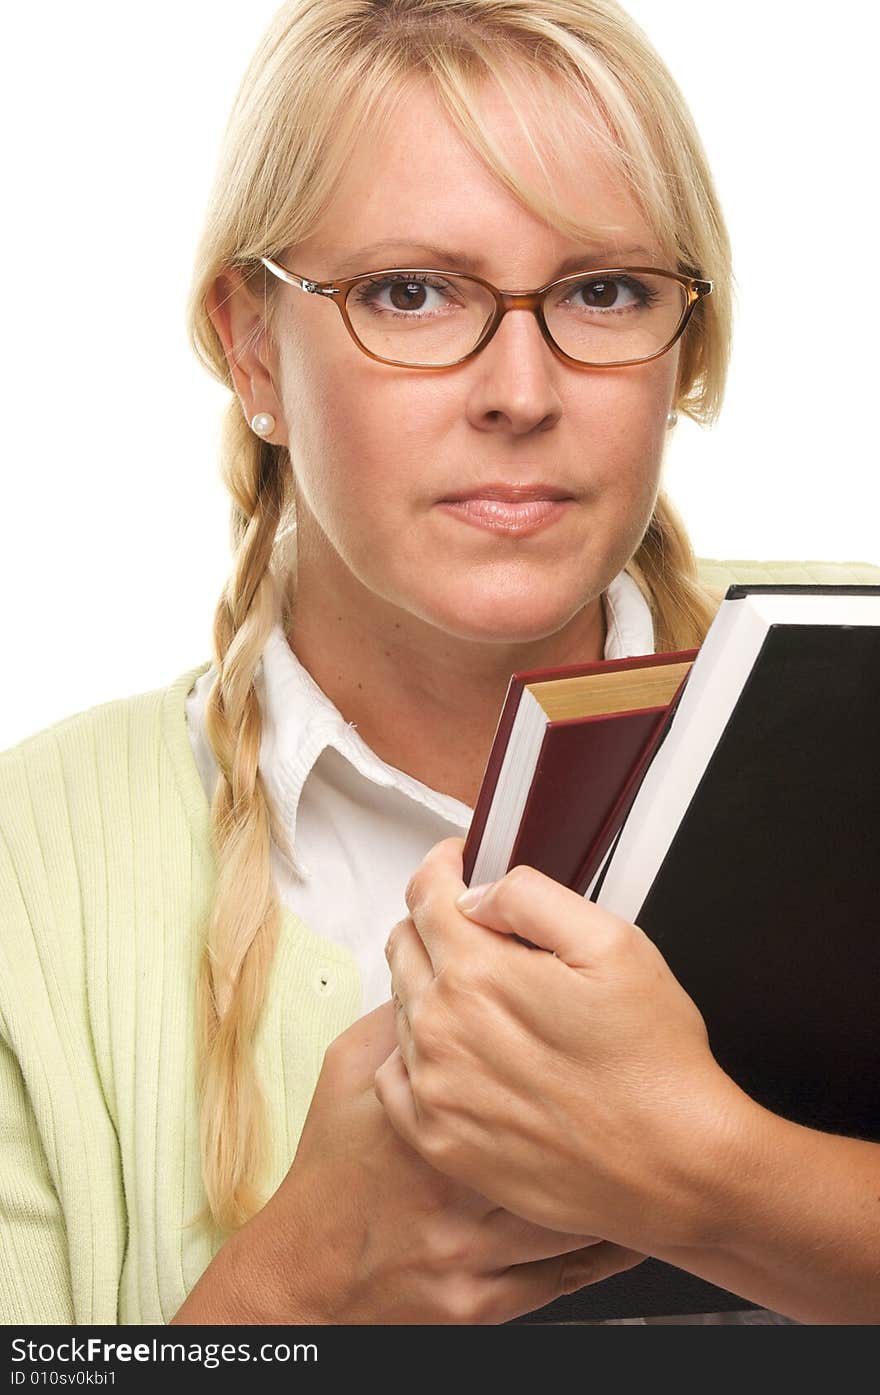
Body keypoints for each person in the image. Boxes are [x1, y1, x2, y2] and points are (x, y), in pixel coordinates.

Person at [1, 0, 853, 1327]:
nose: (521, 388)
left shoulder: (854, 689)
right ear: (250, 347)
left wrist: (717, 1178)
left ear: (685, 339)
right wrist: (302, 1282)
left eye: (603, 289)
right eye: (411, 291)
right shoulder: (28, 870)